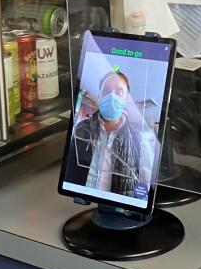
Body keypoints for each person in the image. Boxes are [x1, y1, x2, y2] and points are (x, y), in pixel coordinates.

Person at [63, 70, 159, 199]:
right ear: (100, 95)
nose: (112, 96)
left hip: (120, 210)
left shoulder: (139, 140)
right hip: (82, 205)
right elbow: (69, 172)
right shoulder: (81, 130)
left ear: (126, 99)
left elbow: (145, 187)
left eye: (119, 91)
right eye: (106, 91)